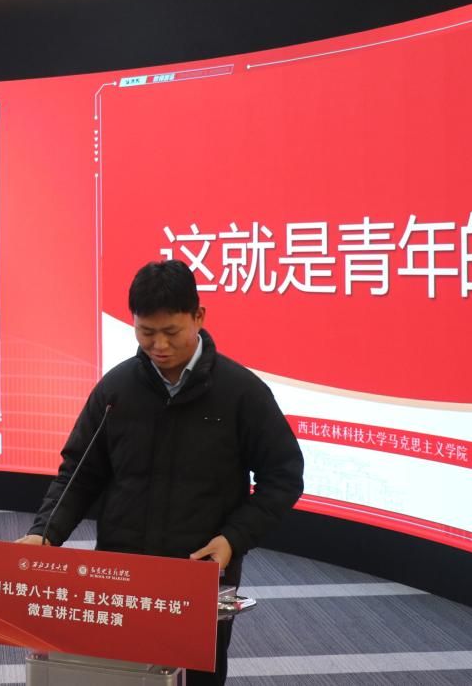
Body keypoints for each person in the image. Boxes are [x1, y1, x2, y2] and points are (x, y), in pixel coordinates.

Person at [16, 260, 304, 684]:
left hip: (198, 574)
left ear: (199, 316)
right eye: (146, 332)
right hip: (120, 573)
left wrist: (233, 539)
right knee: (118, 675)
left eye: (171, 331)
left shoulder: (241, 393)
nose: (159, 345)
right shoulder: (116, 390)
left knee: (197, 677)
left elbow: (283, 476)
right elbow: (79, 473)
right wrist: (46, 533)